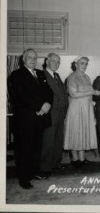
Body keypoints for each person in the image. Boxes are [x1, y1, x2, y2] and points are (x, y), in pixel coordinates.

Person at [10, 48, 53, 189]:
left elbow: (49, 92)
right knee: (24, 149)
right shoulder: (16, 75)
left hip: (40, 118)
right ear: (23, 59)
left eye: (35, 58)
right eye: (30, 57)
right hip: (26, 120)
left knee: (36, 148)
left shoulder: (41, 74)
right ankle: (24, 178)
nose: (33, 60)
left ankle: (33, 172)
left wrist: (48, 104)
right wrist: (39, 107)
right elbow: (21, 96)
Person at [64, 56, 100, 167]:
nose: (84, 66)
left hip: (86, 108)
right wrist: (93, 92)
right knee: (75, 132)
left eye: (86, 64)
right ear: (76, 64)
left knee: (83, 133)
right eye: (82, 63)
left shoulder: (87, 77)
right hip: (75, 108)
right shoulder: (72, 77)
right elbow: (73, 94)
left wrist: (92, 105)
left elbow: (89, 95)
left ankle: (82, 158)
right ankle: (75, 160)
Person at [40, 53, 69, 175]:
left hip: (60, 112)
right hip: (50, 114)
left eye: (58, 62)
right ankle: (45, 167)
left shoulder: (57, 75)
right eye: (53, 61)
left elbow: (62, 94)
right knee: (48, 141)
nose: (56, 64)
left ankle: (56, 163)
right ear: (47, 61)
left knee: (58, 139)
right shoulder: (42, 75)